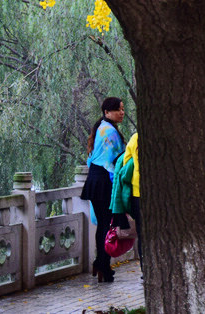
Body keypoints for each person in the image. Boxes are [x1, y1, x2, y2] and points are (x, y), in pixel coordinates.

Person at [80, 97, 126, 282]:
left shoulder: (101, 128)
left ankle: (101, 263)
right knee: (107, 225)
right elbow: (112, 163)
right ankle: (103, 265)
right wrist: (119, 187)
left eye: (123, 109)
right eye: (118, 109)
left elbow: (91, 159)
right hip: (104, 181)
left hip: (95, 179)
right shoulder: (109, 132)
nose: (122, 112)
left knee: (104, 225)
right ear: (107, 112)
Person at [109, 132, 141, 266]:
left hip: (136, 193)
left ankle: (146, 269)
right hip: (150, 194)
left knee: (143, 232)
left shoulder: (135, 138)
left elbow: (126, 164)